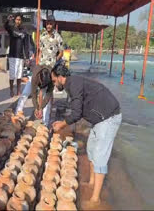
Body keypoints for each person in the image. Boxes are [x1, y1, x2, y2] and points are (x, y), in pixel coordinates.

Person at [50, 63, 122, 209]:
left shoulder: (74, 84)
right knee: (91, 150)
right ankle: (90, 182)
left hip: (109, 118)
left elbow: (76, 114)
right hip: (99, 119)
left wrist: (62, 124)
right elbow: (78, 109)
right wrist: (64, 121)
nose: (54, 84)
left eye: (53, 80)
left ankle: (95, 200)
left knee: (100, 157)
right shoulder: (73, 84)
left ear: (60, 77)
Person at [16, 14, 63, 126]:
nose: (48, 25)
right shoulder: (42, 36)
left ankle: (45, 122)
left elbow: (61, 51)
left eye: (51, 23)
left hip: (50, 69)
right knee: (27, 91)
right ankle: (17, 113)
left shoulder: (58, 37)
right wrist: (37, 61)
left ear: (54, 24)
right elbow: (40, 51)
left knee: (47, 93)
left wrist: (55, 60)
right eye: (47, 23)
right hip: (39, 67)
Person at [4, 13, 29, 97]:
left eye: (19, 20)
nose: (18, 21)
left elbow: (26, 45)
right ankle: (11, 90)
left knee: (19, 75)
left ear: (21, 21)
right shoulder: (11, 29)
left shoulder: (24, 31)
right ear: (15, 20)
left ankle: (18, 90)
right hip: (12, 55)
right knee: (12, 75)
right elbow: (5, 26)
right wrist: (8, 20)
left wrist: (27, 57)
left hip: (20, 56)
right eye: (17, 19)